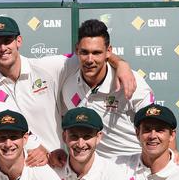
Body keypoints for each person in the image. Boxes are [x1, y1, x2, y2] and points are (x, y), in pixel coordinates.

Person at [0, 16, 136, 163]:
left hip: (56, 167)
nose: (2, 48)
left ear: (19, 41)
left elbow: (90, 53)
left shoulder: (47, 67)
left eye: (7, 41)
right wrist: (35, 147)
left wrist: (121, 64)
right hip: (12, 171)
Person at [58, 19, 155, 158]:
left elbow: (157, 125)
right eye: (84, 52)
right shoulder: (68, 85)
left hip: (132, 164)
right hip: (94, 169)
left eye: (97, 53)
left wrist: (173, 153)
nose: (90, 59)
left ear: (108, 51)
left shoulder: (130, 80)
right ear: (76, 50)